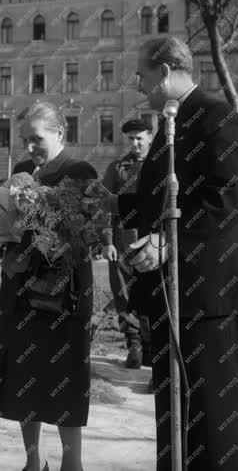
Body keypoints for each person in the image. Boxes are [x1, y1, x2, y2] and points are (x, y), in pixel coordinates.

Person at [88, 36, 238, 470]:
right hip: (176, 292)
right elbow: (160, 200)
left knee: (218, 408)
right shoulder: (173, 120)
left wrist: (168, 243)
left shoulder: (214, 116)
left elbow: (226, 200)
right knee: (178, 404)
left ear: (165, 71)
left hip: (210, 289)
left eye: (142, 74)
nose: (137, 82)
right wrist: (112, 202)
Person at [0, 102, 98, 471]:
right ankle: (33, 462)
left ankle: (72, 464)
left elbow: (85, 236)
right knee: (24, 374)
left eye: (37, 138)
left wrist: (43, 220)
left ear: (60, 133)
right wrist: (0, 225)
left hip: (64, 290)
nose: (29, 147)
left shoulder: (80, 171)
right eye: (24, 139)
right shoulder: (19, 171)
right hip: (21, 287)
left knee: (65, 377)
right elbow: (5, 224)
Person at [101, 118, 153, 371]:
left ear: (150, 137)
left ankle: (152, 347)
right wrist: (107, 242)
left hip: (153, 241)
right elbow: (104, 206)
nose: (135, 143)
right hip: (122, 240)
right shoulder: (117, 168)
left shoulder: (160, 166)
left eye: (140, 138)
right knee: (124, 295)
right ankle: (134, 346)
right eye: (131, 139)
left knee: (153, 293)